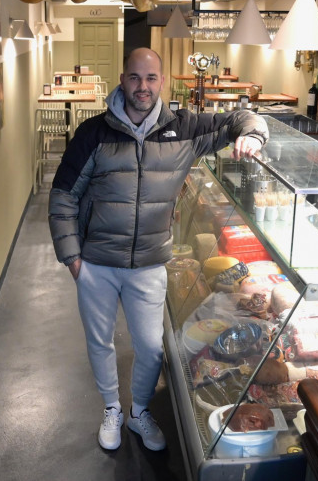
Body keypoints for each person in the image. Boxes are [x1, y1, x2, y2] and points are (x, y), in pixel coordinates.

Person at [48, 48, 268, 451]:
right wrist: (72, 258)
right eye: (135, 78)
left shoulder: (184, 128)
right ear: (122, 79)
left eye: (150, 78)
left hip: (149, 262)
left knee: (150, 346)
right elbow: (63, 194)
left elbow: (241, 117)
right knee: (100, 342)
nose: (142, 87)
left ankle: (139, 413)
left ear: (161, 82)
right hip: (96, 262)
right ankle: (112, 408)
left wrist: (252, 135)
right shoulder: (93, 133)